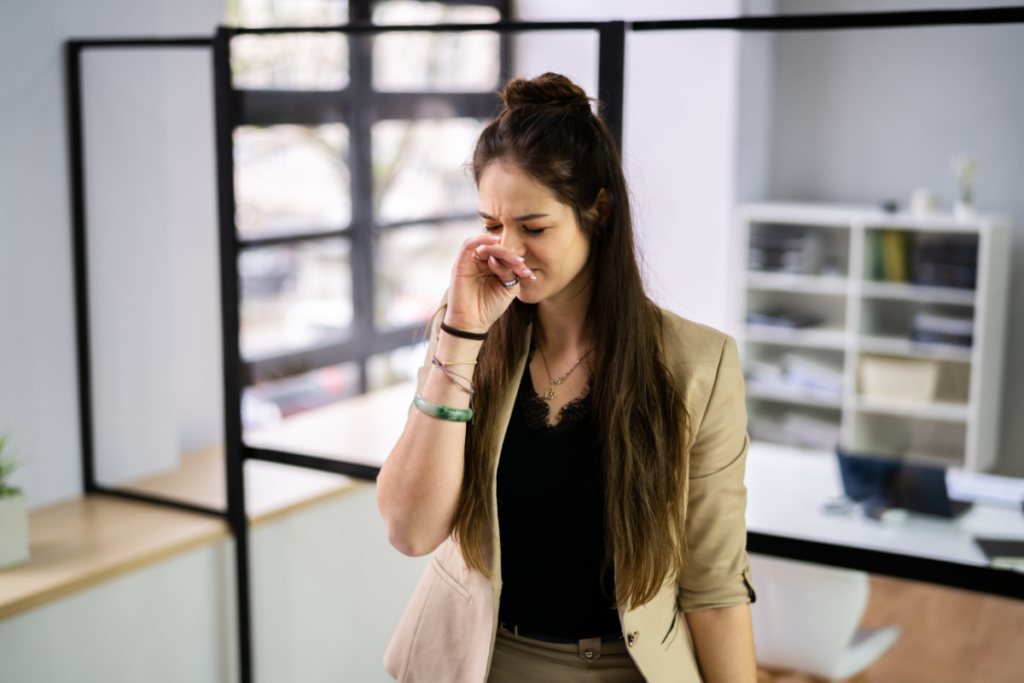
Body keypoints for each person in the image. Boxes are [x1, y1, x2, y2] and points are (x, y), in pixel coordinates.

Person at [377, 73, 756, 683]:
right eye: (492, 225)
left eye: (535, 227)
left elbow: (714, 585)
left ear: (597, 212)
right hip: (480, 663)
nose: (509, 251)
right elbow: (409, 529)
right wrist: (460, 337)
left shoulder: (699, 364)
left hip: (624, 668)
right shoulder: (465, 340)